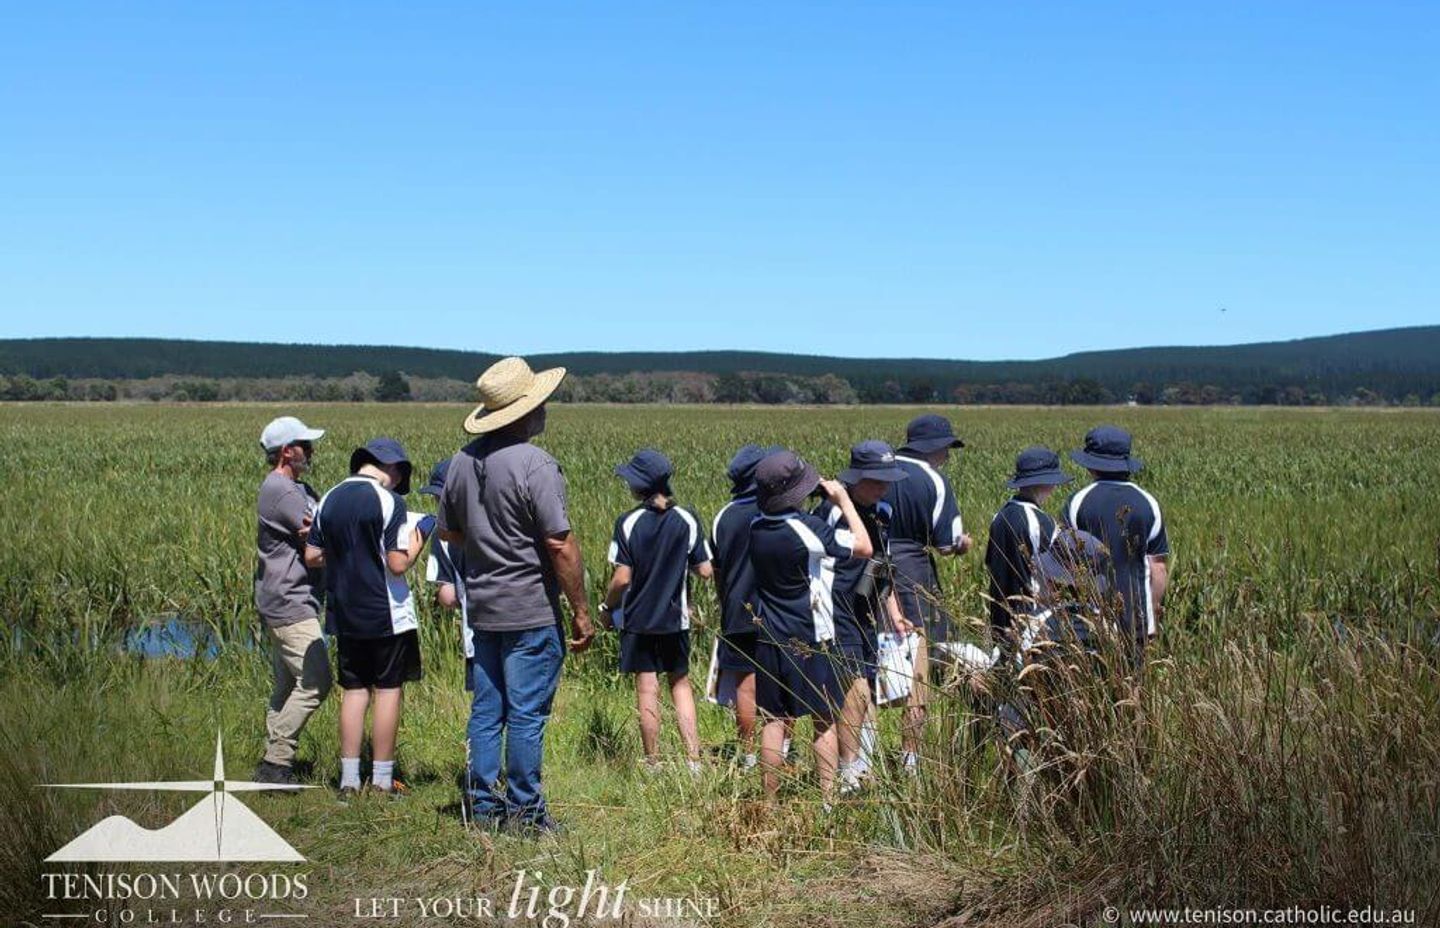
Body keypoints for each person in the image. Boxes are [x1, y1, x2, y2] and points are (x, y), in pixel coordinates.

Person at [437, 356, 596, 833]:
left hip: (483, 608)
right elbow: (559, 543)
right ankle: (527, 814)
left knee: (488, 711)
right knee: (526, 715)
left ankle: (483, 809)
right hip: (530, 607)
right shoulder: (536, 464)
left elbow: (448, 532)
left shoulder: (462, 462)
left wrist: (489, 547)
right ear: (526, 411)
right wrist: (581, 612)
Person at [305, 437, 429, 798]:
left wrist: (346, 555)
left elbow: (312, 555)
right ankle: (382, 779)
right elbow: (396, 563)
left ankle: (347, 780)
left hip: (344, 611)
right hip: (385, 612)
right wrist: (417, 544)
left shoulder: (328, 498)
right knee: (389, 690)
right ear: (391, 468)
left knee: (354, 691)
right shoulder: (390, 501)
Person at [749, 450, 873, 802]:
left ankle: (769, 804)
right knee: (824, 719)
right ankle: (828, 801)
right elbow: (864, 546)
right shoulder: (809, 529)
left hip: (770, 636)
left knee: (773, 721)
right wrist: (844, 500)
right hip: (811, 636)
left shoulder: (757, 526)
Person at [601, 449, 713, 770]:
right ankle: (694, 761)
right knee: (680, 683)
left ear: (639, 486)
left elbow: (622, 578)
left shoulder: (628, 522)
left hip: (638, 619)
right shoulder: (687, 518)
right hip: (675, 619)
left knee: (647, 686)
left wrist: (606, 608)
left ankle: (653, 762)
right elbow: (704, 571)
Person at [812, 440, 910, 793]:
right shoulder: (832, 513)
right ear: (856, 478)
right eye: (876, 479)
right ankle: (848, 771)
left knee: (867, 689)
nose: (884, 486)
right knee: (853, 690)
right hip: (837, 613)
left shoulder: (880, 512)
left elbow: (881, 565)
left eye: (887, 479)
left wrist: (894, 611)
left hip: (867, 612)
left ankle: (862, 765)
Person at [884, 413, 972, 773]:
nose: (948, 456)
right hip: (912, 572)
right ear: (934, 448)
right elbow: (947, 544)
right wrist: (965, 545)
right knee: (919, 669)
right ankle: (910, 760)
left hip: (866, 568)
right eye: (946, 449)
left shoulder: (878, 468)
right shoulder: (933, 480)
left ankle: (856, 758)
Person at [253, 416, 331, 788]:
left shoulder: (298, 488)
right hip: (290, 601)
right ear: (287, 451)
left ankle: (274, 765)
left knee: (286, 685)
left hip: (288, 597)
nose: (311, 451)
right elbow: (317, 538)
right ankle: (276, 760)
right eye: (305, 445)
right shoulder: (281, 491)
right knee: (316, 681)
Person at [1060, 426, 1170, 659]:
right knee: (1135, 687)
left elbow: (1064, 563)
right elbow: (1158, 567)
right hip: (1137, 617)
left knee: (1091, 688)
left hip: (1089, 616)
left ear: (1090, 464)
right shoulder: (1148, 502)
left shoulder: (1077, 502)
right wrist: (1151, 616)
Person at [708, 443, 778, 768]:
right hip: (777, 610)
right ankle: (781, 750)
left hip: (736, 609)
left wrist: (727, 603)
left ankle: (749, 754)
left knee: (744, 684)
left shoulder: (724, 515)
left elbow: (717, 570)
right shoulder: (777, 509)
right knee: (781, 682)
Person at [984, 447, 1071, 660]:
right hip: (1033, 619)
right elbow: (1056, 576)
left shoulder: (1000, 516)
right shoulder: (1043, 523)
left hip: (1001, 617)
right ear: (1045, 484)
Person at [418, 459, 471, 689]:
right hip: (521, 623)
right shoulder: (500, 520)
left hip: (476, 634)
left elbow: (447, 596)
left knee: (487, 710)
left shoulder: (443, 536)